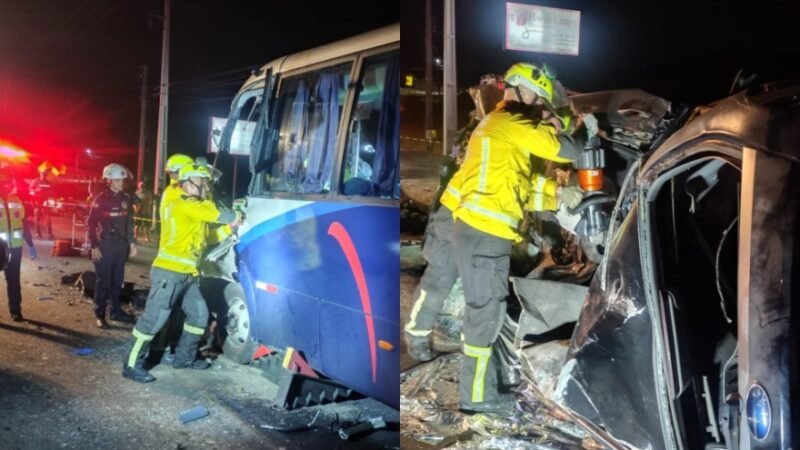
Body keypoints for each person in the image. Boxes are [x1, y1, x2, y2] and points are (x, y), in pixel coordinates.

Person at [422, 62, 591, 414]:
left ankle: (478, 391)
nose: (542, 108)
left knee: (484, 312)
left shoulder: (501, 127)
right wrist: (583, 128)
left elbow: (518, 189)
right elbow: (567, 150)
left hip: (478, 231)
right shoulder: (511, 122)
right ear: (519, 89)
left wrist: (558, 196)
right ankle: (478, 397)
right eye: (539, 99)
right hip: (485, 235)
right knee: (484, 316)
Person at [122, 163, 242, 383]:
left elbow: (210, 239)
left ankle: (184, 358)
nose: (205, 186)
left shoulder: (195, 208)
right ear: (188, 182)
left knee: (199, 316)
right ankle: (131, 365)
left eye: (206, 181)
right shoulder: (183, 203)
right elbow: (217, 213)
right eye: (202, 181)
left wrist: (230, 229)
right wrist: (237, 213)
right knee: (153, 321)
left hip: (188, 275)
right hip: (169, 274)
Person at [87, 163, 137, 328]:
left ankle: (116, 311)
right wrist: (94, 246)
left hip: (120, 246)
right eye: (117, 180)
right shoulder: (100, 200)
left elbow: (129, 223)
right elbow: (90, 224)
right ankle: (100, 314)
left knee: (117, 281)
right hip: (105, 245)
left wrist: (132, 243)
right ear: (109, 181)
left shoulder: (126, 199)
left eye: (122, 179)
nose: (121, 182)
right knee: (104, 282)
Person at [0, 172, 27, 321]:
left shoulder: (16, 200)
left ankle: (15, 310)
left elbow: (23, 222)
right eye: (4, 183)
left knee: (14, 281)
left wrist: (29, 243)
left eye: (9, 183)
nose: (7, 186)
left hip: (15, 248)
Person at [29, 169, 54, 239]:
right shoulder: (36, 181)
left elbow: (51, 191)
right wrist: (36, 191)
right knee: (36, 217)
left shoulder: (48, 182)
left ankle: (49, 233)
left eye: (44, 174)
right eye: (42, 174)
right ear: (40, 174)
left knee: (48, 217)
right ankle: (37, 232)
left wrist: (49, 193)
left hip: (45, 201)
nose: (43, 175)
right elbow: (30, 189)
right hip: (37, 201)